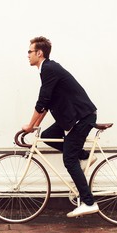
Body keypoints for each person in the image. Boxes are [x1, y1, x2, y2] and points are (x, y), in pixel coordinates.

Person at [22, 36, 99, 218]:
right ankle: (84, 156)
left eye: (29, 52)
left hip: (81, 117)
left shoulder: (48, 68)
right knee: (48, 135)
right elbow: (47, 102)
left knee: (68, 160)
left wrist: (30, 125)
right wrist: (36, 126)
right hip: (75, 117)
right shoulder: (48, 69)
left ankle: (88, 202)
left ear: (39, 53)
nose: (27, 55)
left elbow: (42, 101)